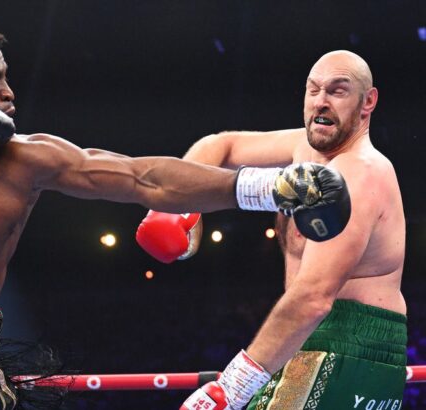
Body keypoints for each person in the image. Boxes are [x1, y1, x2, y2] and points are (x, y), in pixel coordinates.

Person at [0, 18, 349, 410]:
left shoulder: (24, 158)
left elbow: (143, 178)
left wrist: (269, 187)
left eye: (7, 76)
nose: (9, 93)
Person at [138, 50, 407, 409]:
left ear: (367, 101)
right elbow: (220, 145)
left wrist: (230, 389)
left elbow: (313, 296)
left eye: (337, 91)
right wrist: (178, 210)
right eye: (313, 90)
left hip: (348, 341)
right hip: (312, 338)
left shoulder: (358, 173)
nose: (321, 102)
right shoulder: (304, 149)